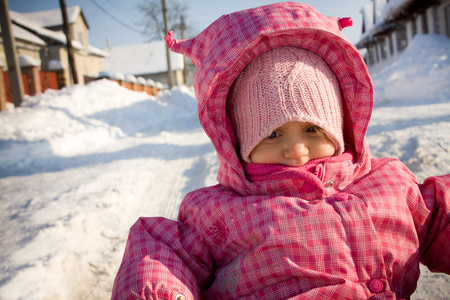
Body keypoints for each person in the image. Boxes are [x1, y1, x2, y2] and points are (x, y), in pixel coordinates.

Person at [111, 2, 450, 299]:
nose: (297, 151)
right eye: (272, 134)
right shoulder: (219, 213)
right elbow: (161, 252)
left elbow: (440, 216)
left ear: (341, 127)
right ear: (239, 141)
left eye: (313, 129)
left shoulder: (388, 184)